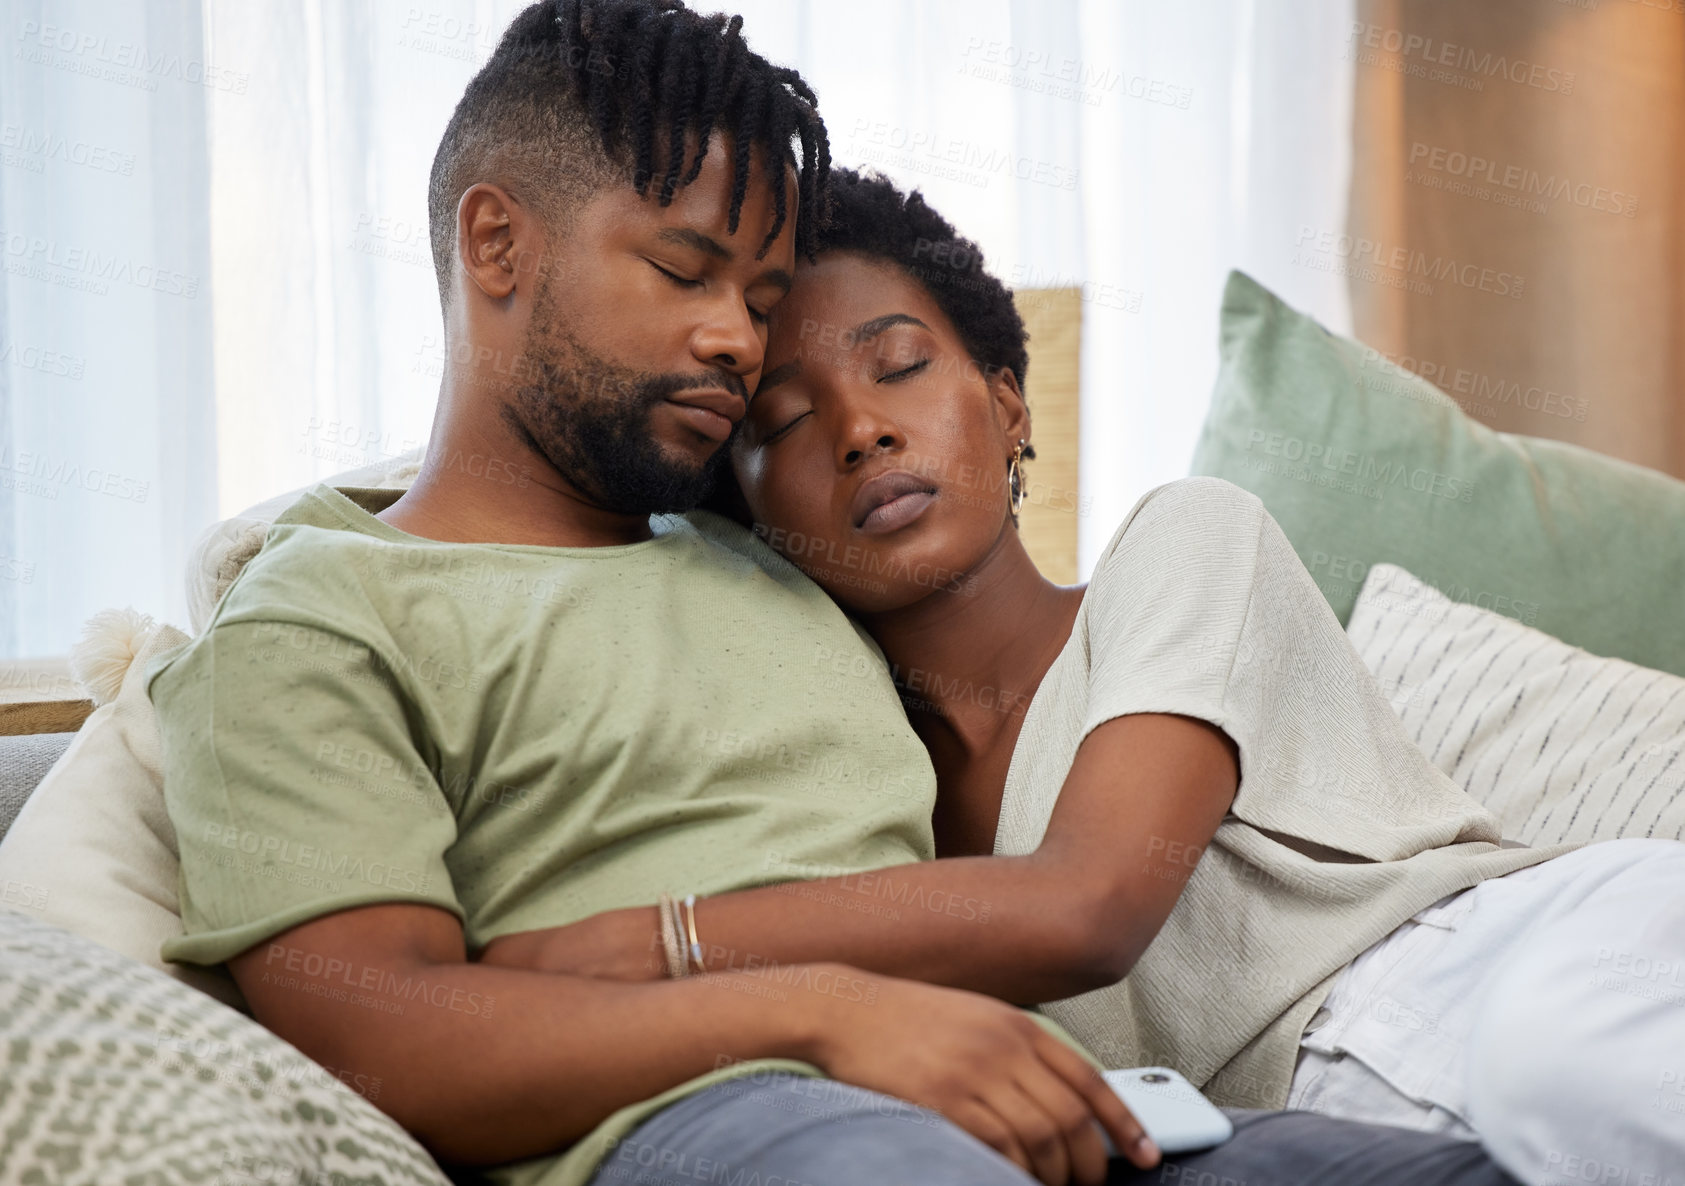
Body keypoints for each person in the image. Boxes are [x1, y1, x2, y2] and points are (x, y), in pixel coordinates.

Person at [478, 168, 1685, 1186]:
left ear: (1006, 407)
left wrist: (664, 942)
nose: (859, 429)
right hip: (1305, 1134)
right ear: (751, 515)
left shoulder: (1185, 544)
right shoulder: (850, 797)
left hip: (1508, 960)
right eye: (784, 424)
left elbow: (1088, 905)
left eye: (897, 365)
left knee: (1557, 1065)